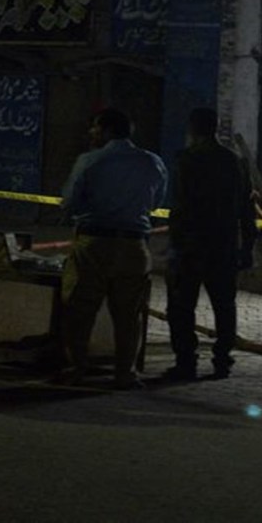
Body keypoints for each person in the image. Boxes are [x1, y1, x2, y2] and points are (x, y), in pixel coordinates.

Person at [58, 108, 168, 389]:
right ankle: (125, 374)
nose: (91, 133)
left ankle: (76, 368)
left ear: (106, 131)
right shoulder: (152, 162)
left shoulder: (90, 160)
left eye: (95, 128)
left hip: (94, 244)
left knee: (80, 309)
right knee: (129, 315)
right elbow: (156, 202)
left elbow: (69, 202)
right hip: (134, 246)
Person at [163, 108, 257, 380]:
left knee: (181, 307)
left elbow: (180, 204)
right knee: (224, 306)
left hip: (190, 244)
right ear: (216, 127)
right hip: (223, 244)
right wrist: (247, 245)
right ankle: (222, 361)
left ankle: (186, 362)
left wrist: (174, 243)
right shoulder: (234, 161)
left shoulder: (186, 159)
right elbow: (246, 207)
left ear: (192, 128)